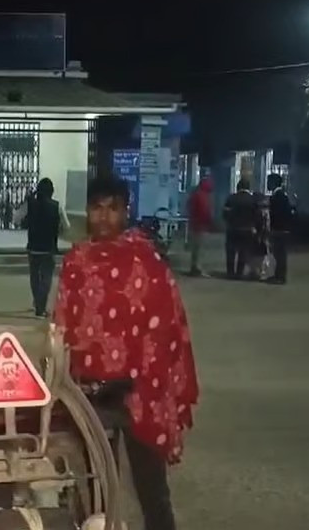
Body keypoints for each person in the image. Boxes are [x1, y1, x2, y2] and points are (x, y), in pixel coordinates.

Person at [54, 174, 199, 530]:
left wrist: (147, 378)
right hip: (89, 392)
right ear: (86, 211)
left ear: (126, 211)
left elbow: (167, 326)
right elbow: (62, 323)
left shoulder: (146, 261)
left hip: (139, 393)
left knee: (152, 491)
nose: (103, 217)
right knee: (95, 490)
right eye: (96, 208)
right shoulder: (77, 261)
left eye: (113, 209)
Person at [13, 178, 71, 317]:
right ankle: (41, 307)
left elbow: (16, 218)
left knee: (34, 277)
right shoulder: (57, 206)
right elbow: (67, 226)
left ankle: (38, 303)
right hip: (49, 248)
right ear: (52, 192)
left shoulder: (30, 204)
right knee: (46, 278)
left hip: (33, 247)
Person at [222, 178, 257, 279]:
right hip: (247, 229)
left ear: (238, 187)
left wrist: (229, 222)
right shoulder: (252, 200)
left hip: (232, 229)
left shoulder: (231, 198)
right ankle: (239, 273)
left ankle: (230, 272)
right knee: (243, 251)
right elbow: (256, 215)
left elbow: (225, 213)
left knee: (231, 252)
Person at [267, 173, 293, 284]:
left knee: (280, 254)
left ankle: (280, 277)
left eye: (269, 182)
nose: (267, 184)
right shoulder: (281, 195)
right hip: (281, 228)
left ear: (273, 183)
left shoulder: (279, 196)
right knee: (278, 254)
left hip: (279, 229)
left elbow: (277, 214)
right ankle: (278, 275)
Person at [185, 177, 213, 277]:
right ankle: (197, 268)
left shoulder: (195, 194)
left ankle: (194, 267)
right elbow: (205, 211)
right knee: (200, 249)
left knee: (195, 249)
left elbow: (189, 207)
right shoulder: (203, 196)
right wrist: (209, 221)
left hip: (194, 225)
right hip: (201, 226)